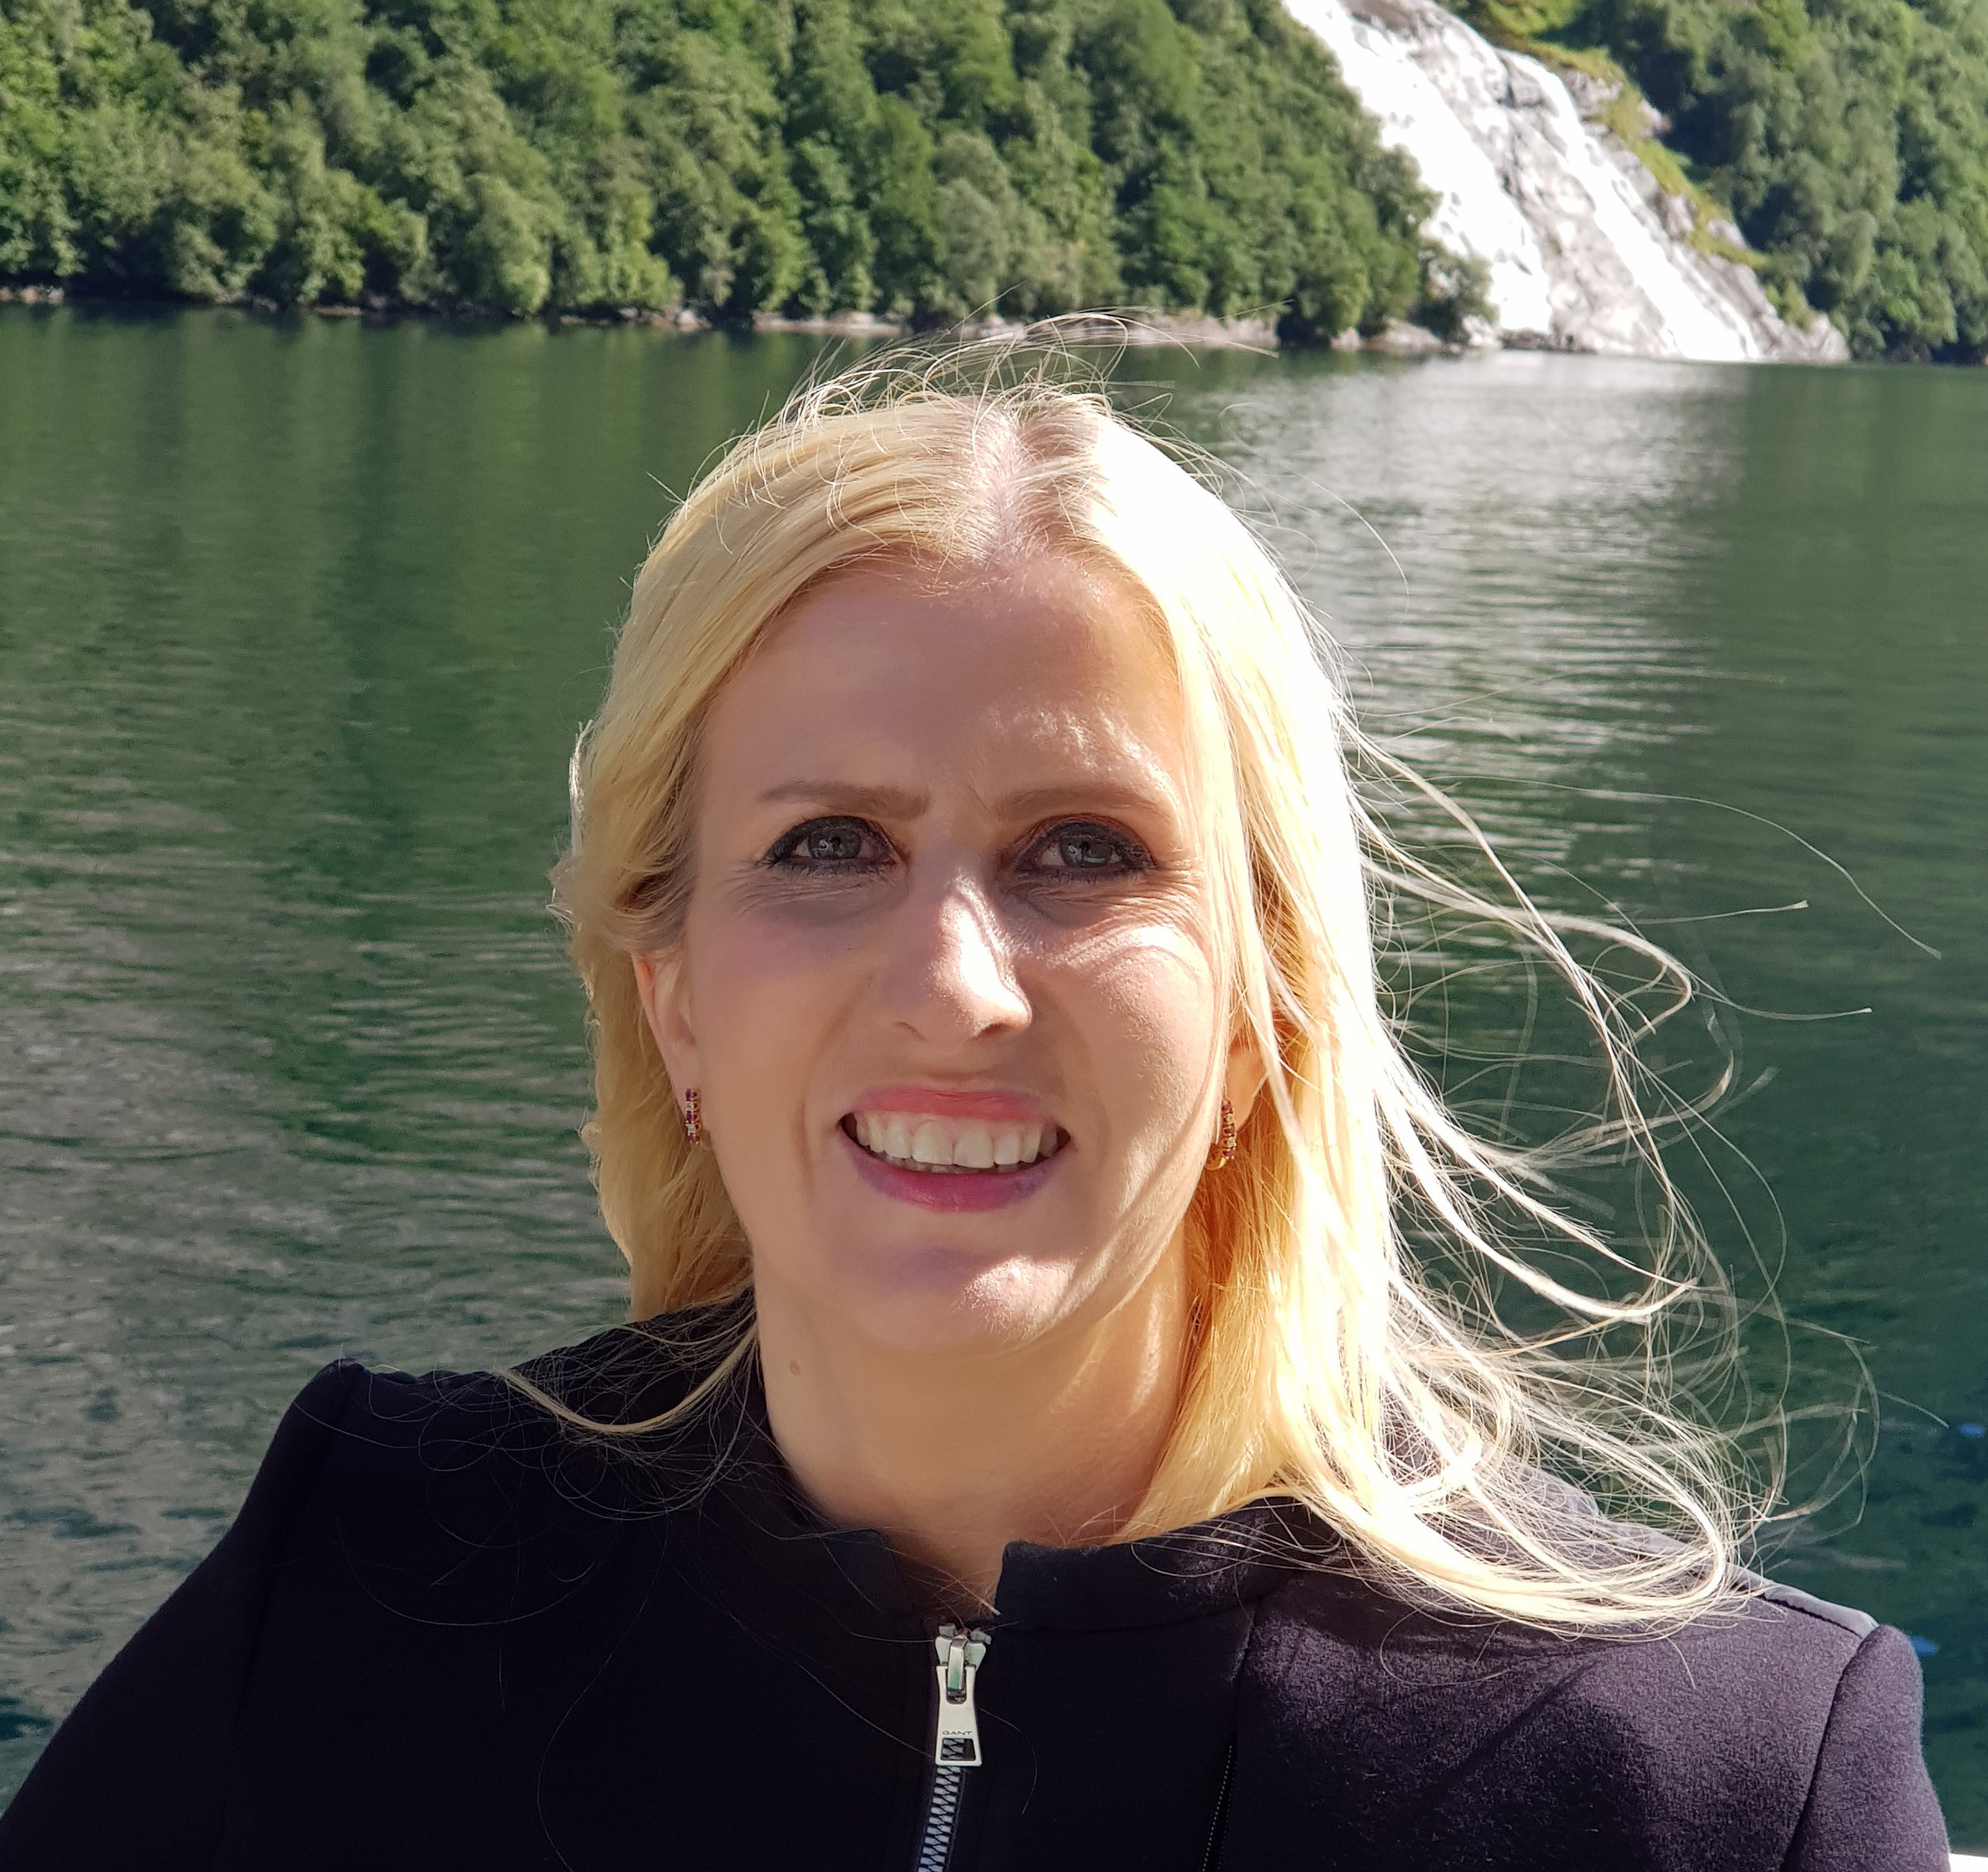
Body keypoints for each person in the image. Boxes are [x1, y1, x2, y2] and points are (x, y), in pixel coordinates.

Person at [0, 346, 1950, 1871]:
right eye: (826, 844)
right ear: (672, 1002)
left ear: (1264, 1005)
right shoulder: (371, 1573)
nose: (950, 981)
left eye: (1083, 851)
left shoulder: (1694, 1778)